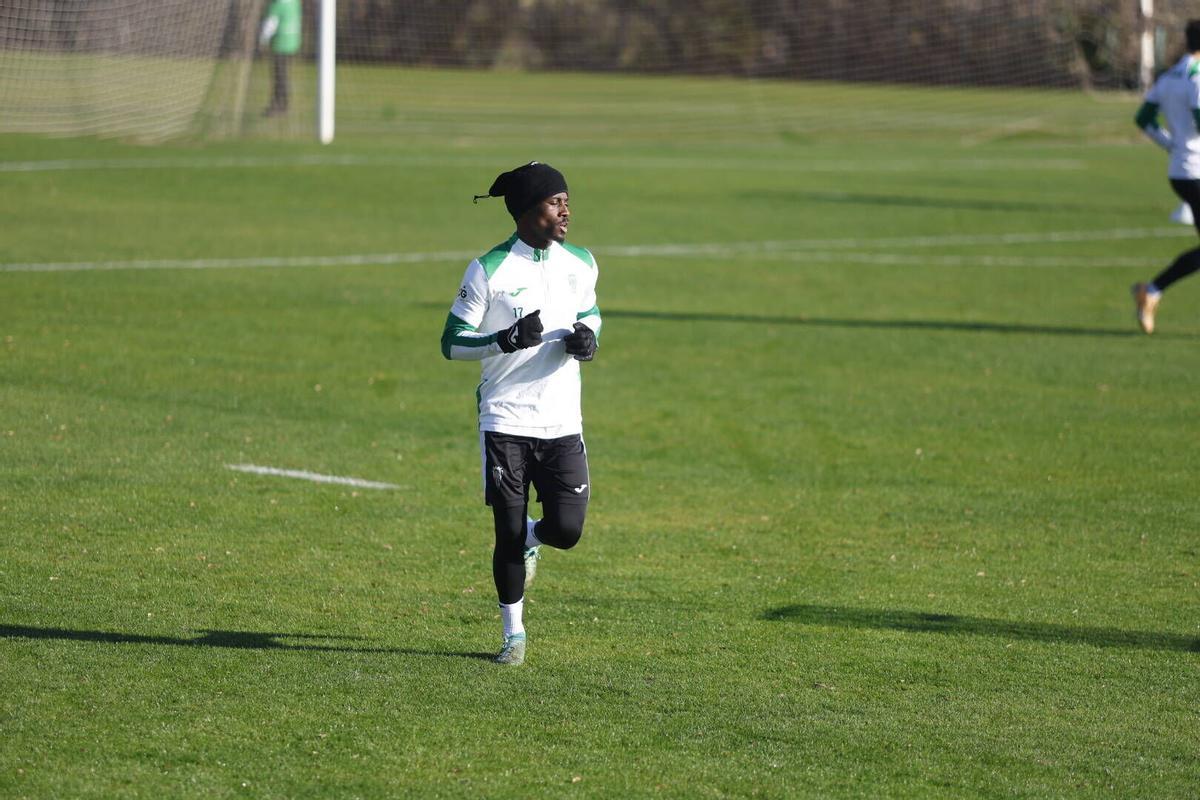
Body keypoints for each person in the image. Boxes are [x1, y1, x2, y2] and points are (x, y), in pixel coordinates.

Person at [441, 162, 601, 666]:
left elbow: (591, 313)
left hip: (561, 423)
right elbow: (452, 343)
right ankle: (514, 635)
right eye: (556, 202)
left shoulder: (581, 262)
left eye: (566, 200)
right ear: (528, 210)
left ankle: (533, 539)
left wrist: (589, 339)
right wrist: (503, 340)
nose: (566, 210)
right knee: (505, 533)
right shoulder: (488, 269)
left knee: (568, 530)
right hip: (506, 421)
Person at [1132, 19, 1200, 334]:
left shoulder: (1170, 75)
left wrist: (1170, 144)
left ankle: (1152, 291)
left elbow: (1143, 118)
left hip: (1181, 171)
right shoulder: (1197, 79)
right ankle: (1153, 289)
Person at [258, 0, 302, 117]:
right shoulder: (295, 2)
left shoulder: (276, 5)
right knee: (283, 75)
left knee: (279, 75)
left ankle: (278, 105)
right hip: (293, 43)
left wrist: (262, 40)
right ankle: (283, 103)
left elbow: (270, 25)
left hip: (280, 44)